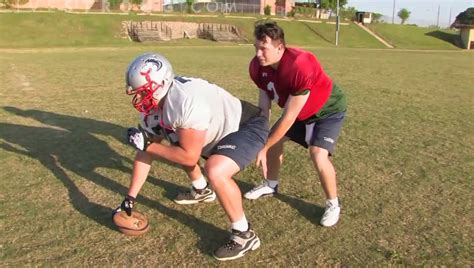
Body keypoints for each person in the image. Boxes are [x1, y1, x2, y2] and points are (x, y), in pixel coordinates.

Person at [113, 53, 269, 261]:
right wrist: (130, 197)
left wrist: (149, 145)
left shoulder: (184, 101)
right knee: (175, 139)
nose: (138, 98)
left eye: (143, 92)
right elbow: (145, 153)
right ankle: (200, 190)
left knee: (215, 170)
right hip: (214, 131)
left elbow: (188, 156)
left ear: (160, 85)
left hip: (244, 125)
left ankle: (244, 234)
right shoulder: (156, 107)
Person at [244, 21, 347, 227]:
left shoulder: (301, 64)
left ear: (280, 47)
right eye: (256, 48)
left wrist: (264, 147)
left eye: (263, 48)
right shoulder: (257, 67)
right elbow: (264, 107)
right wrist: (262, 136)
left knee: (318, 154)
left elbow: (289, 117)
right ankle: (271, 185)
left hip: (327, 110)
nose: (258, 54)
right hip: (300, 112)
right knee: (274, 140)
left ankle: (333, 204)